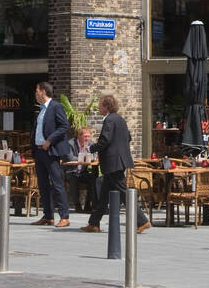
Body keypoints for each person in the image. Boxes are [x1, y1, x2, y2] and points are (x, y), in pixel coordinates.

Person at [83, 94, 148, 234]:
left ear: (106, 106)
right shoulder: (120, 119)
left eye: (100, 105)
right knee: (104, 195)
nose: (99, 108)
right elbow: (128, 137)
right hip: (117, 162)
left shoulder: (109, 120)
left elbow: (105, 140)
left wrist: (91, 148)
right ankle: (93, 223)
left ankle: (143, 221)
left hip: (113, 163)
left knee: (124, 193)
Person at [31, 82, 71, 227]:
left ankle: (64, 216)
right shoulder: (41, 110)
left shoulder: (56, 107)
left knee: (57, 183)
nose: (35, 94)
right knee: (42, 185)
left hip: (51, 151)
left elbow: (64, 126)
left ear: (43, 91)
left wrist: (49, 140)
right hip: (39, 151)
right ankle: (48, 216)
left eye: (37, 91)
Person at [66, 126, 99, 213]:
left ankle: (88, 204)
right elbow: (70, 157)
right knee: (74, 179)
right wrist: (83, 158)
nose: (87, 138)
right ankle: (77, 205)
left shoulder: (91, 144)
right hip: (72, 171)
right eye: (85, 136)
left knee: (93, 179)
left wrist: (91, 157)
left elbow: (95, 156)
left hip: (83, 172)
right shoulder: (71, 143)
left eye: (88, 136)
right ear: (79, 136)